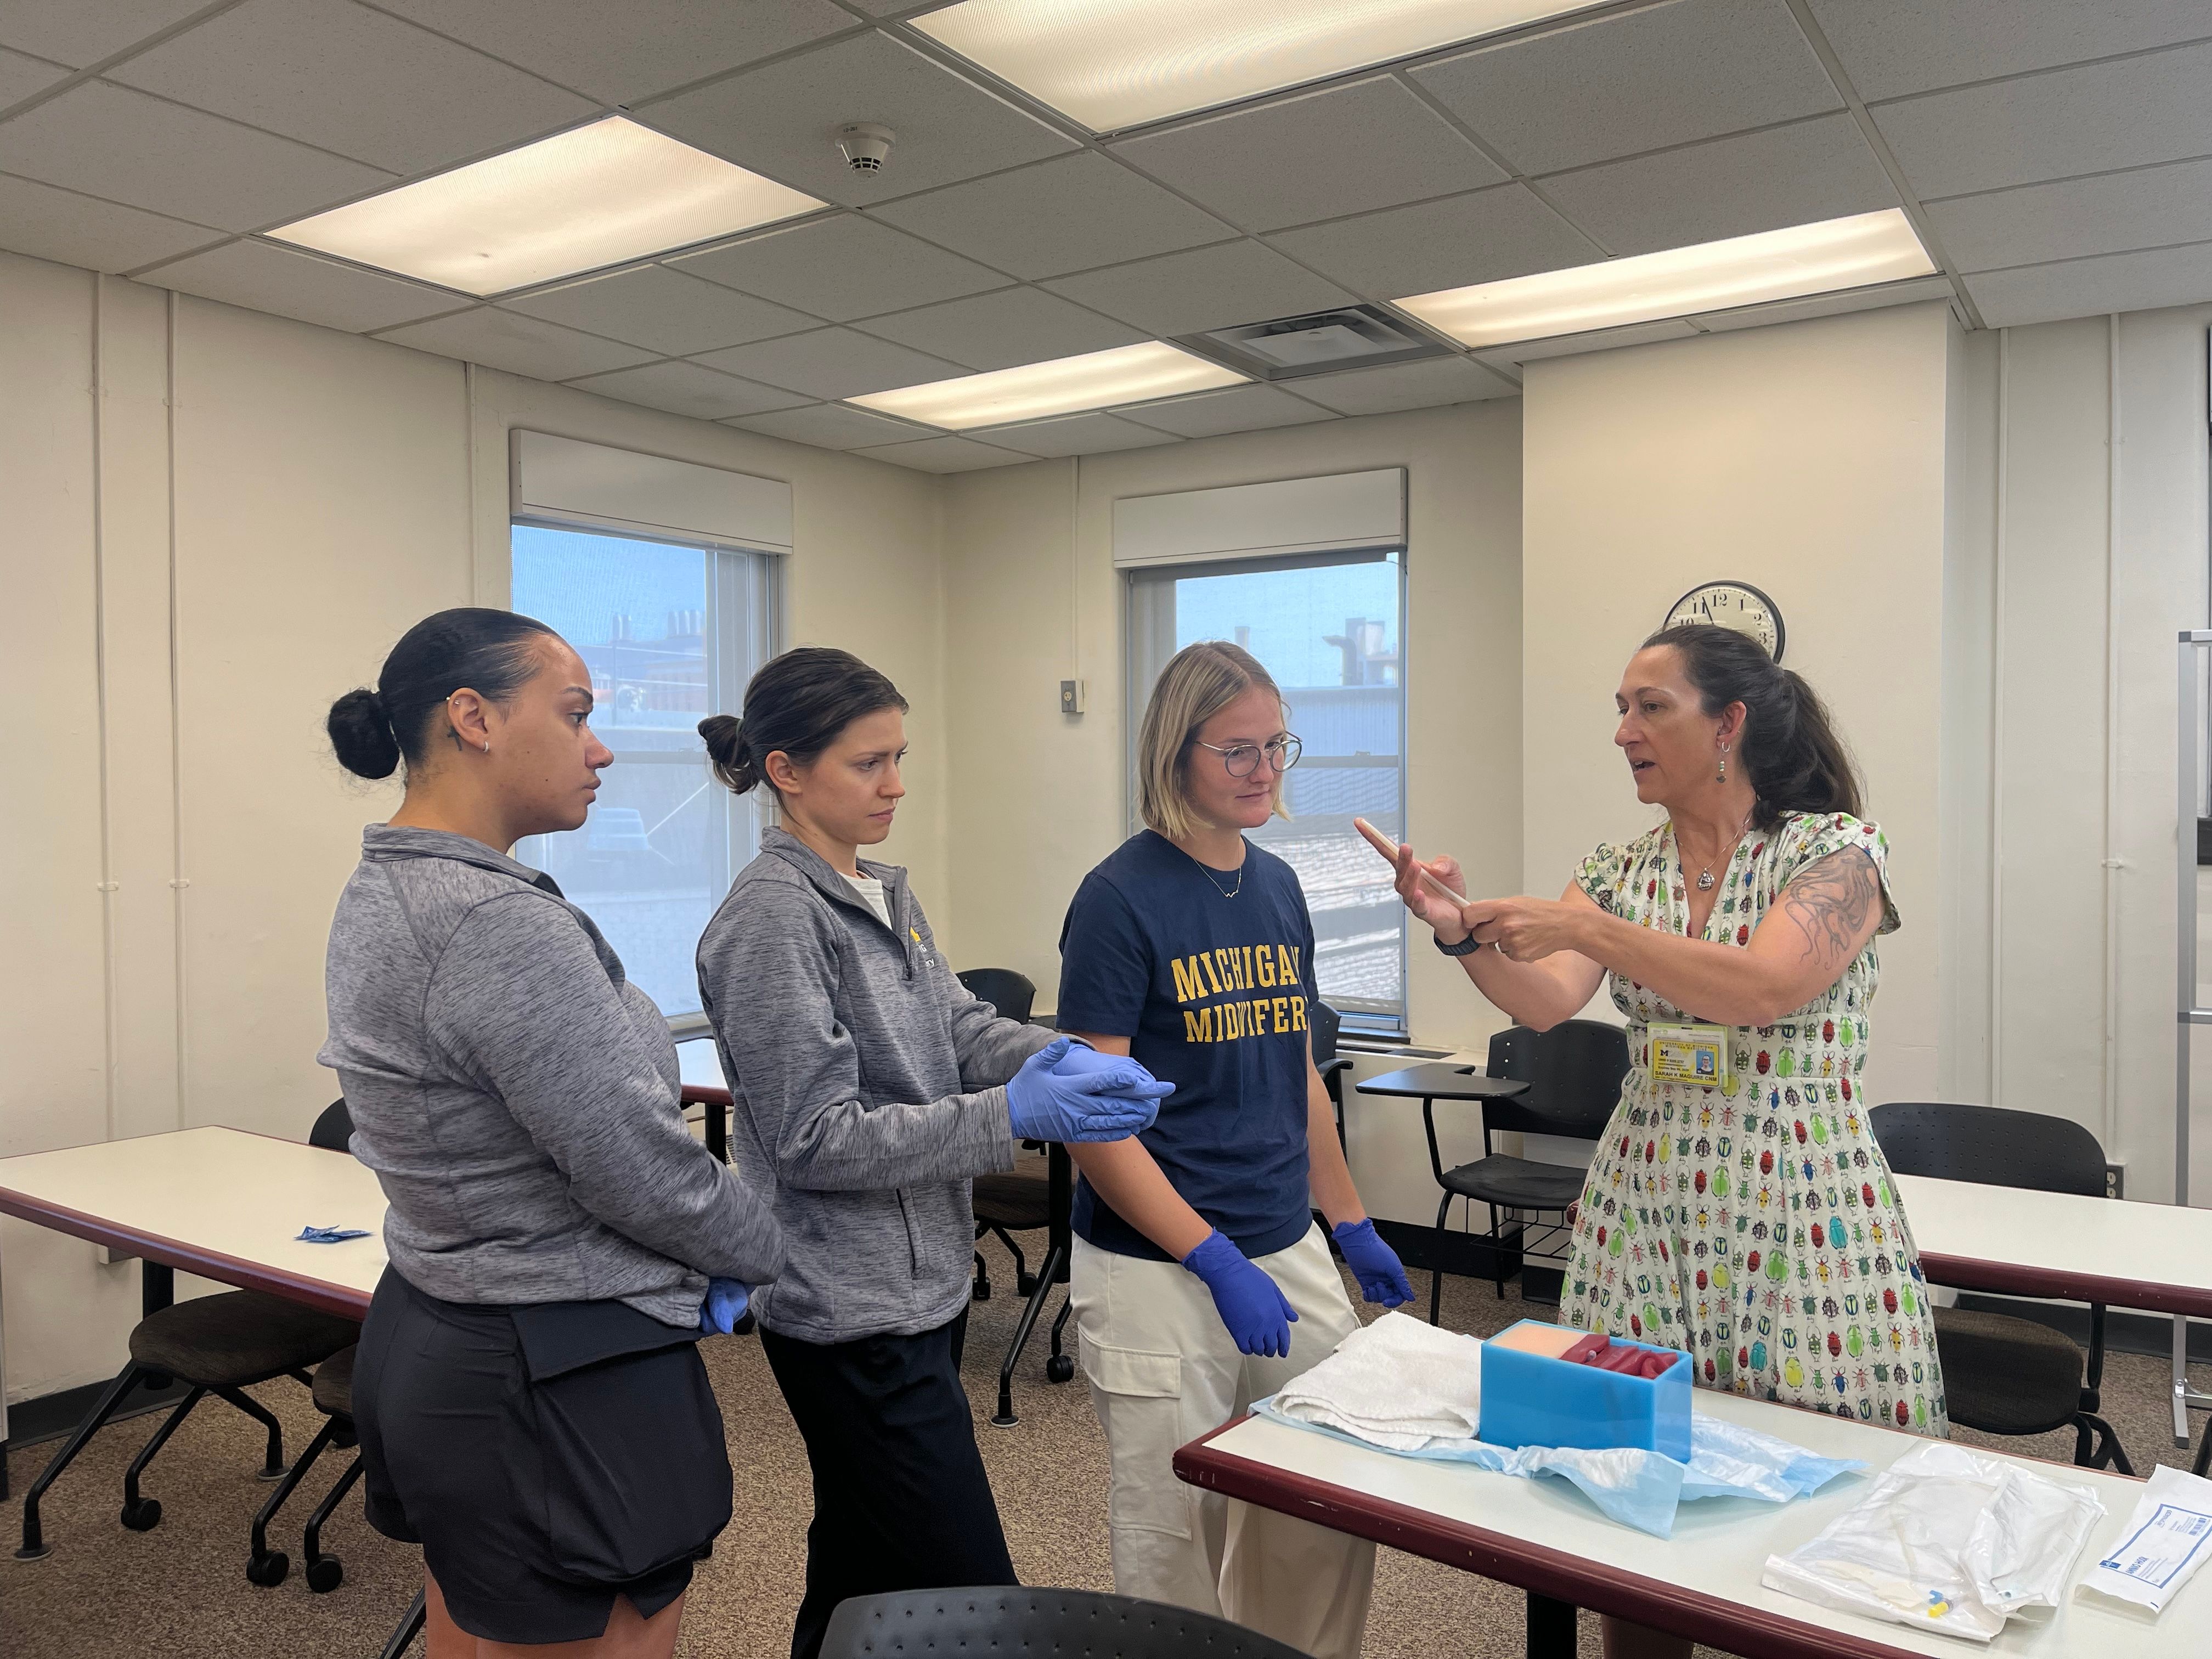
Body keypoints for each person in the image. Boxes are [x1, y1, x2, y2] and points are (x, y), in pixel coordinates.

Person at [1390, 623, 1945, 1658]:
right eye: (1619, 707)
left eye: (1651, 708)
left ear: (1728, 724)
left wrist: (1592, 932)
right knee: (1631, 1489)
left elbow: (1766, 987)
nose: (1623, 731)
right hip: (1645, 1204)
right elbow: (1548, 1000)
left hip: (1799, 1208)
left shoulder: (1834, 853)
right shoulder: (1618, 867)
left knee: (1820, 1510)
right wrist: (1459, 931)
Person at [321, 608, 786, 1659]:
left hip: (443, 1321)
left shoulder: (393, 883)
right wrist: (770, 1252)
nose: (602, 744)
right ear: (473, 718)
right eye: (575, 714)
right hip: (554, 1360)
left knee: (478, 1633)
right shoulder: (493, 922)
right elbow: (641, 1170)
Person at [693, 645, 1171, 1659]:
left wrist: (1063, 1058)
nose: (897, 785)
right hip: (845, 1310)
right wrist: (1014, 1116)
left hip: (923, 1286)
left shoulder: (878, 891)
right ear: (786, 769)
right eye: (870, 763)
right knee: (973, 1600)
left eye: (900, 758)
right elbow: (815, 1141)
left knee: (862, 1559)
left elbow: (955, 1028)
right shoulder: (772, 922)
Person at [1056, 641, 1414, 1659]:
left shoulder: (1278, 888)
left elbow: (1299, 1079)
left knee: (1328, 1498)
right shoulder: (1119, 899)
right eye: (1239, 751)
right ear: (1177, 755)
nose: (1265, 770)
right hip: (1158, 1264)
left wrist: (1348, 1222)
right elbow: (1098, 1120)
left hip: (1283, 1240)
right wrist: (1207, 1256)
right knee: (1174, 1536)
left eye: (1277, 747)